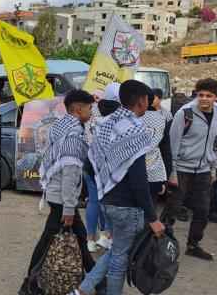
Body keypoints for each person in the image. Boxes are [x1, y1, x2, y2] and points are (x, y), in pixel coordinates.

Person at [71, 80, 165, 295]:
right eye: (148, 102)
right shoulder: (136, 130)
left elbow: (92, 162)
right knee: (119, 259)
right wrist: (152, 217)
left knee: (116, 251)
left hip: (107, 199)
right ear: (141, 101)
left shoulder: (106, 123)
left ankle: (82, 291)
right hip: (127, 206)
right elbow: (139, 179)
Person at [18, 90, 97, 295]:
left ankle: (97, 281)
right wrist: (69, 208)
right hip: (63, 199)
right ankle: (29, 284)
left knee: (79, 239)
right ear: (78, 109)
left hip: (57, 196)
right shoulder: (72, 137)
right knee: (48, 242)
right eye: (89, 108)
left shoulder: (62, 128)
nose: (91, 112)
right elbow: (70, 176)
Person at [168, 78, 217, 261]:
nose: (203, 99)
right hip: (182, 168)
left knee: (202, 210)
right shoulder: (185, 113)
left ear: (216, 97)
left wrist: (212, 169)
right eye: (200, 95)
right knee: (172, 209)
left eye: (208, 96)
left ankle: (193, 245)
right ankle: (162, 245)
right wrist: (173, 172)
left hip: (203, 169)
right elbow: (173, 143)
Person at [84, 83, 118, 252]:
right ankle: (107, 236)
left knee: (93, 201)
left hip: (90, 161)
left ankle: (90, 240)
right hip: (109, 163)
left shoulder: (92, 110)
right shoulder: (121, 113)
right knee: (110, 201)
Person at [142, 89, 170, 210]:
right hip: (154, 172)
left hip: (130, 175)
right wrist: (165, 177)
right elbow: (166, 150)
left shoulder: (128, 118)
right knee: (150, 207)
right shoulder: (162, 118)